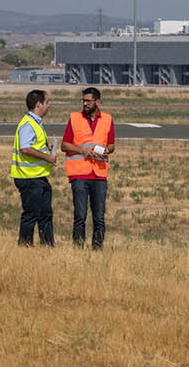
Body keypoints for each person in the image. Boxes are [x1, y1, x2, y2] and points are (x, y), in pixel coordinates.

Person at [62, 87, 115, 249]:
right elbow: (65, 145)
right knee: (80, 215)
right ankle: (78, 248)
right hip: (79, 173)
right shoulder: (74, 118)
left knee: (99, 217)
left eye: (88, 101)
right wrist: (82, 150)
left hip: (99, 174)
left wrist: (108, 150)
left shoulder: (107, 119)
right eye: (83, 101)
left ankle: (97, 248)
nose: (85, 104)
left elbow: (112, 144)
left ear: (97, 102)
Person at [11, 89, 57, 246]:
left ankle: (47, 245)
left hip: (38, 176)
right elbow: (25, 148)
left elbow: (33, 146)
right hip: (28, 177)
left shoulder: (36, 123)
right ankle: (25, 246)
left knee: (45, 213)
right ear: (39, 104)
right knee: (31, 214)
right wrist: (47, 157)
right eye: (47, 102)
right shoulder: (28, 124)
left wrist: (46, 149)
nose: (49, 106)